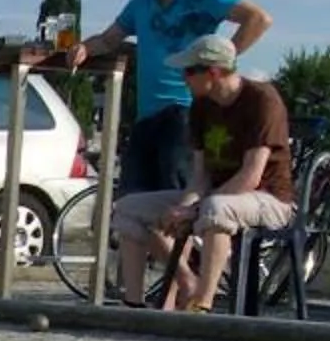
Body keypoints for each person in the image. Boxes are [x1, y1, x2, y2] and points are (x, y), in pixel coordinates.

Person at [65, 0, 269, 195]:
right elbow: (109, 39)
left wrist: (222, 58)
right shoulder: (142, 1)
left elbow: (258, 19)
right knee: (131, 201)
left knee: (176, 197)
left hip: (186, 111)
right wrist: (84, 48)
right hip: (146, 115)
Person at [106, 32, 294, 312]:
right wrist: (183, 208)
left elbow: (251, 176)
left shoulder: (262, 100)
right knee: (128, 208)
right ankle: (135, 303)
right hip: (216, 195)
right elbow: (199, 176)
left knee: (216, 208)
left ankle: (202, 304)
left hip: (269, 198)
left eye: (189, 71)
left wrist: (195, 209)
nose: (183, 78)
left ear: (214, 72)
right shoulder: (201, 106)